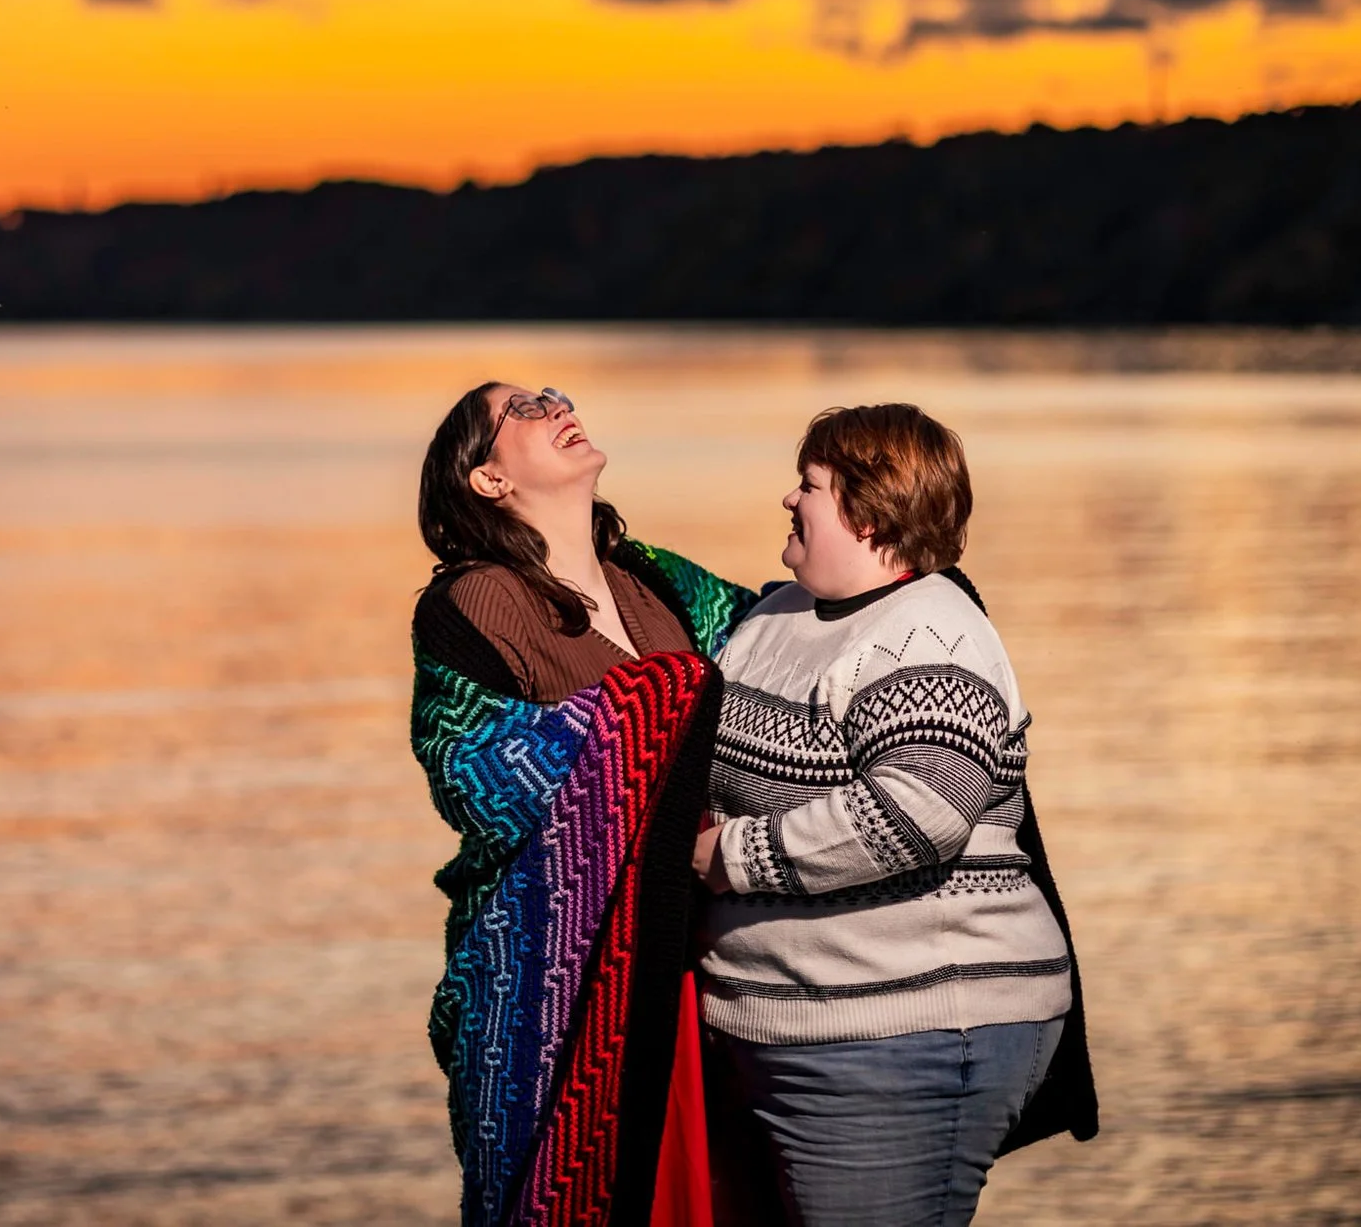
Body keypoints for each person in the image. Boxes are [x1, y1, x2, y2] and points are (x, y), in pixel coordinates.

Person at [690, 403, 1098, 1227]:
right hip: (798, 1034)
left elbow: (920, 813)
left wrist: (726, 856)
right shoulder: (774, 614)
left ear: (868, 513)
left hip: (905, 1037)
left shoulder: (931, 633)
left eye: (808, 485)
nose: (787, 500)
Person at [409, 381, 756, 1227]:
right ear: (487, 479)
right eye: (521, 410)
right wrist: (650, 707)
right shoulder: (474, 599)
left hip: (711, 963)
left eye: (553, 394)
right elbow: (471, 774)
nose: (556, 404)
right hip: (562, 970)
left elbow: (789, 653)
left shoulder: (659, 581)